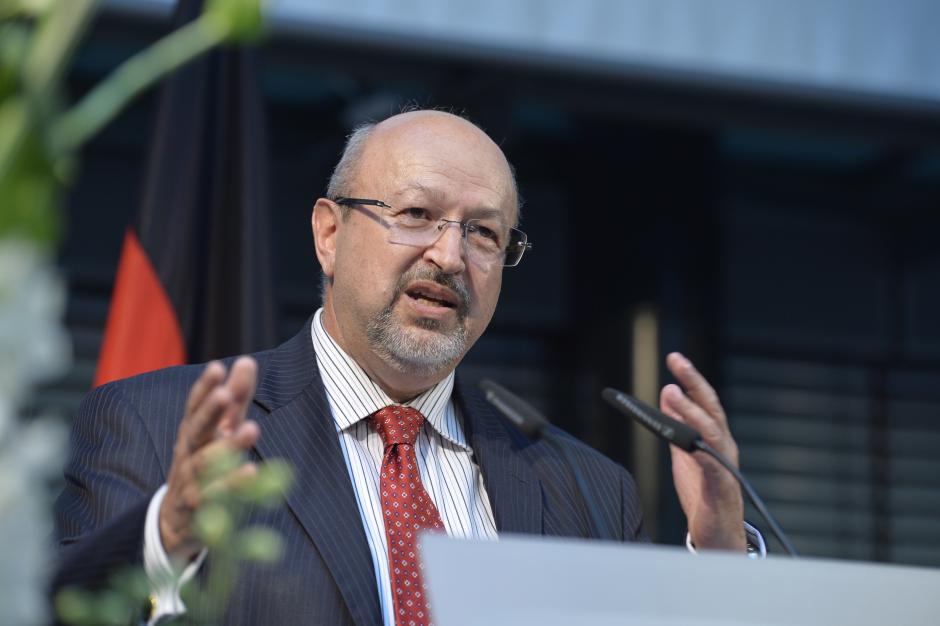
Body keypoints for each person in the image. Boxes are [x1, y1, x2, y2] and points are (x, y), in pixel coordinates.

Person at [54, 110, 750, 625]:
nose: (450, 256)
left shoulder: (588, 489)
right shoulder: (154, 423)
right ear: (329, 233)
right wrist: (164, 541)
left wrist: (719, 561)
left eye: (484, 233)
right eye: (417, 214)